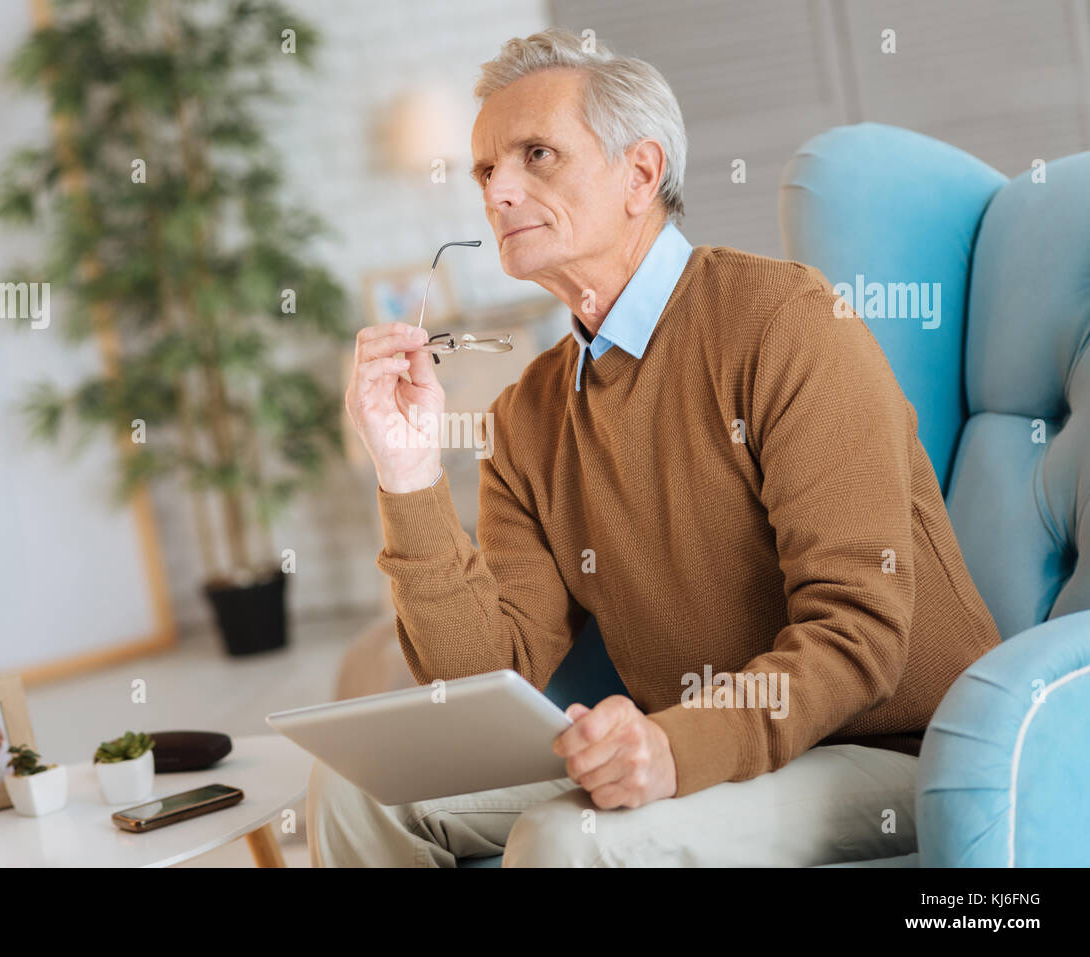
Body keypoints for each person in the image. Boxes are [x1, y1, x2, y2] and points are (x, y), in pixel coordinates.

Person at [316, 27, 1003, 867]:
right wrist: (408, 473)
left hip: (891, 748)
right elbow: (485, 673)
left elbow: (859, 631)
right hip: (684, 749)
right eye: (487, 169)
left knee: (566, 837)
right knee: (357, 789)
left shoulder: (785, 324)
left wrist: (675, 748)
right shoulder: (528, 417)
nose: (500, 190)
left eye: (537, 154)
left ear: (641, 174)